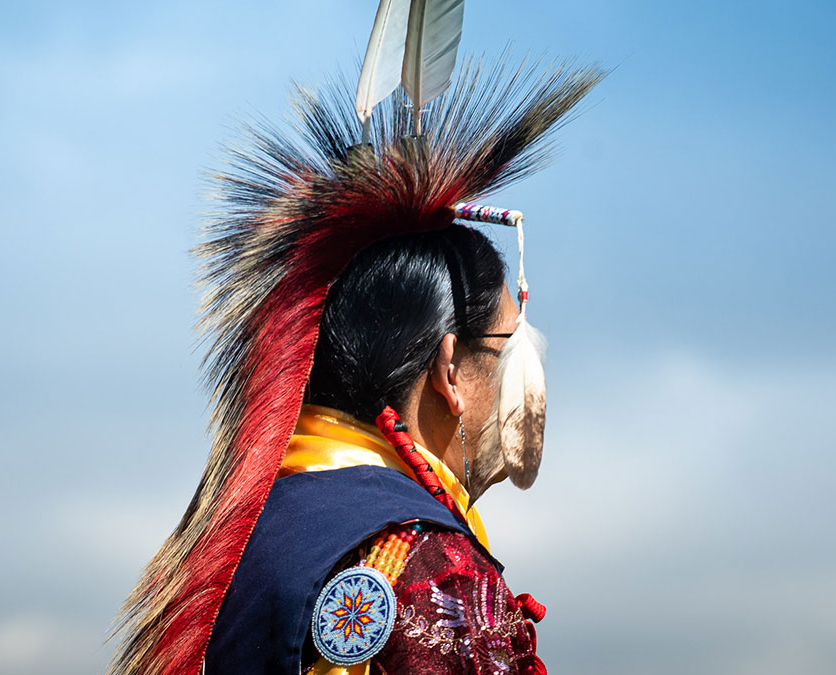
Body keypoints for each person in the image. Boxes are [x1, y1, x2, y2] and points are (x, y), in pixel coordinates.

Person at [111, 9, 603, 671]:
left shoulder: (250, 538)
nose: (528, 369)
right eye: (510, 340)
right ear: (451, 369)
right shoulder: (431, 564)